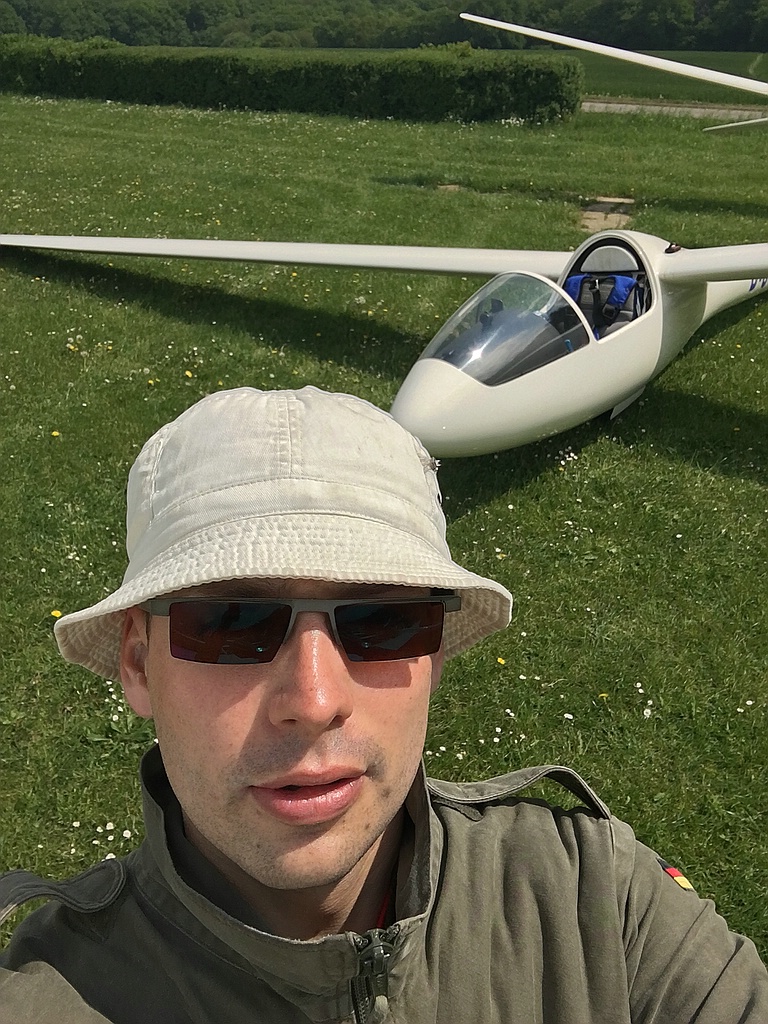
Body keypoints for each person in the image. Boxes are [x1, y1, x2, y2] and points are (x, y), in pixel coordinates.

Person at [1, 386, 766, 1024]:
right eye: (234, 622)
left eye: (383, 620)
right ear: (138, 662)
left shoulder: (589, 903)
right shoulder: (47, 996)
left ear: (435, 656)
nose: (314, 700)